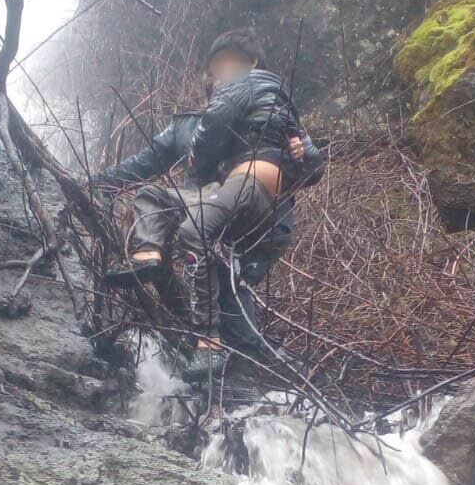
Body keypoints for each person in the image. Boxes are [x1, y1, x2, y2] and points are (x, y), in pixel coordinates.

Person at [98, 29, 323, 377]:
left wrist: (305, 154)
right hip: (212, 207)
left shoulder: (267, 111)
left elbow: (309, 166)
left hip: (259, 219)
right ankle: (150, 262)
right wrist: (97, 182)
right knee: (162, 207)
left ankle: (241, 365)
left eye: (235, 65)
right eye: (220, 67)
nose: (226, 74)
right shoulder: (189, 126)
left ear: (252, 66)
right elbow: (143, 164)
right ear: (209, 78)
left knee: (228, 285)